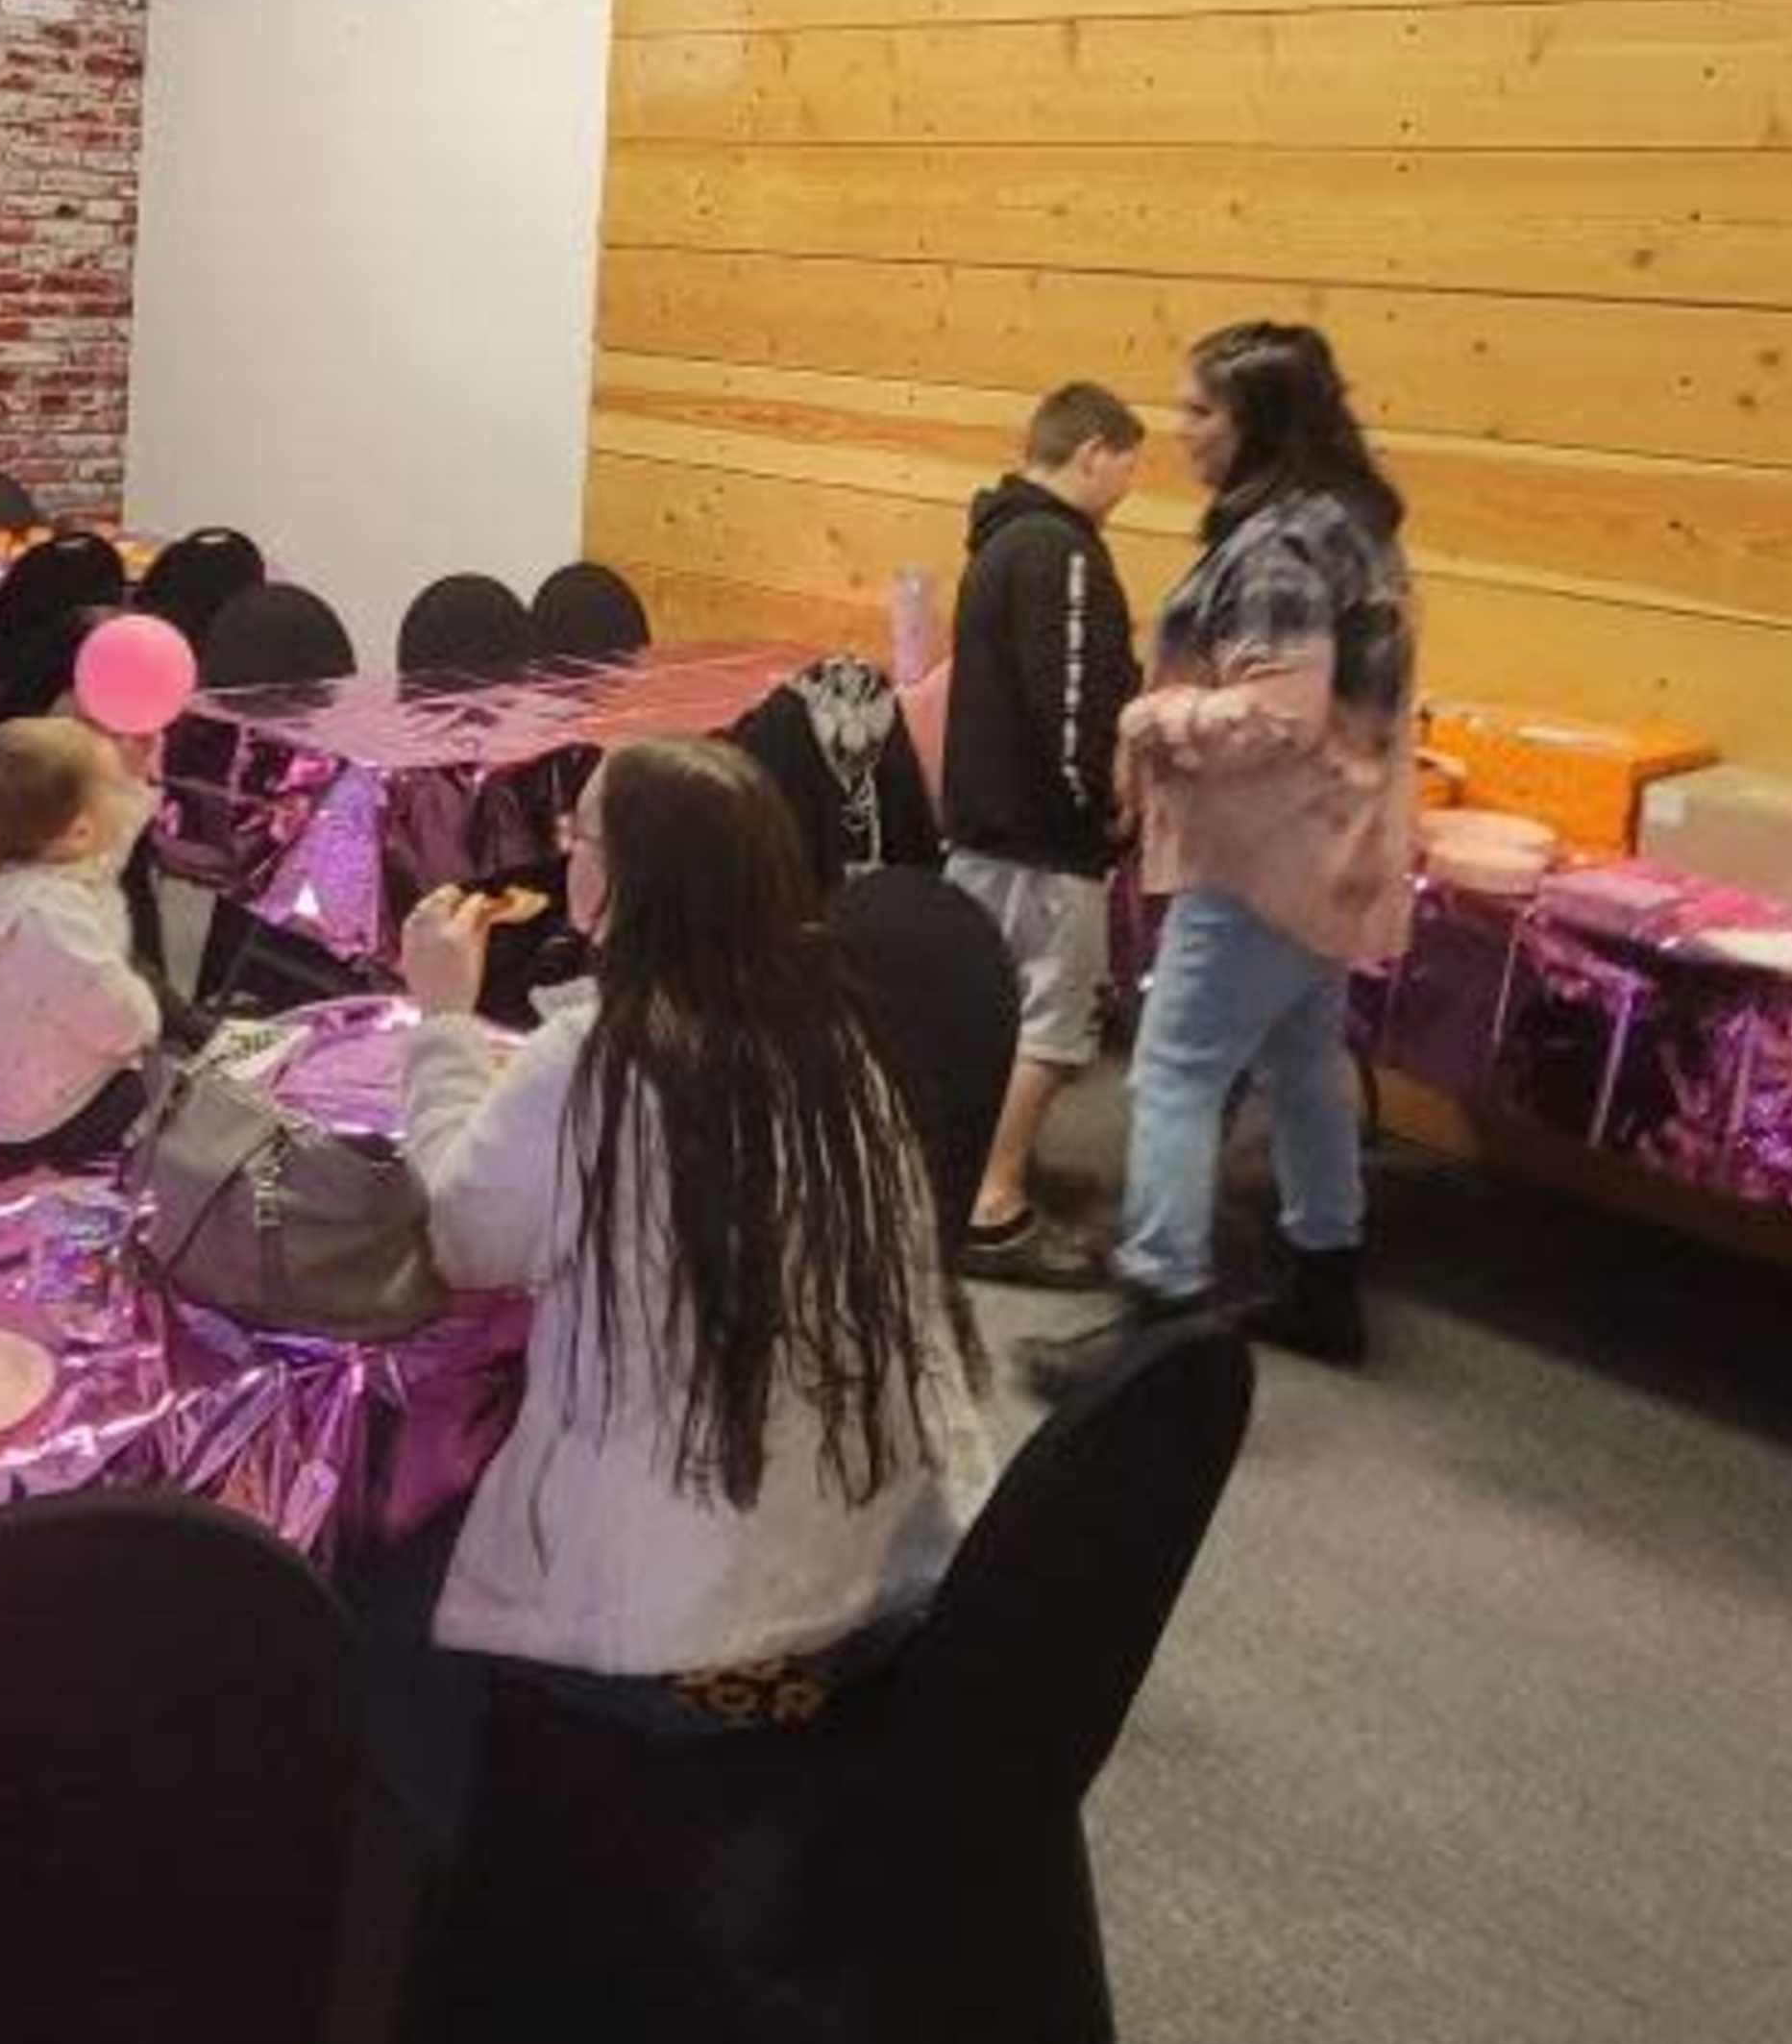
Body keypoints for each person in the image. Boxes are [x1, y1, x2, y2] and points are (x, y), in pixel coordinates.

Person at [395, 734, 986, 1704]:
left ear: (627, 884)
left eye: (581, 834)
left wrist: (445, 1021)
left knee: (384, 1577)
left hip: (680, 1634)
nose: (565, 851)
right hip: (868, 1574)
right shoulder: (838, 1038)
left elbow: (459, 1240)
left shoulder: (598, 1059)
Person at [1038, 322, 1416, 1377]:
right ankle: (1323, 1280)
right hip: (1328, 852)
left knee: (1172, 1073)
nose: (1180, 428)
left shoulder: (1279, 548)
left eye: (1200, 410)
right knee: (1305, 1067)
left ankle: (1156, 1317)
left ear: (1258, 423)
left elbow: (1275, 718)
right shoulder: (1349, 527)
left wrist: (1147, 717)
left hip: (1264, 859)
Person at [936, 379, 1146, 1286]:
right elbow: (1070, 707)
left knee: (990, 1016)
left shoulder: (1002, 539)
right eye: (1129, 469)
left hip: (990, 828)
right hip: (1040, 838)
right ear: (1093, 451)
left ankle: (966, 1174)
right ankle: (993, 1205)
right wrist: (1097, 812)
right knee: (1054, 1029)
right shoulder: (1058, 551)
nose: (1129, 490)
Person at [0, 714, 162, 1171]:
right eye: (115, 788)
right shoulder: (50, 921)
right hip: (49, 1117)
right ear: (81, 831)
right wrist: (145, 1020)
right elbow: (116, 1023)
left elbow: (102, 850)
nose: (123, 798)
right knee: (170, 1092)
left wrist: (138, 779)